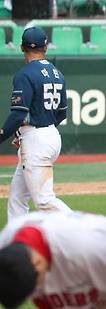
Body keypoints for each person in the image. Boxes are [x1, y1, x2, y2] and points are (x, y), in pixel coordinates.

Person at [0, 27, 71, 220]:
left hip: (37, 140)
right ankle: (16, 242)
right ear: (45, 46)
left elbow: (18, 114)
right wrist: (22, 133)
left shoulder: (25, 74)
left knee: (44, 201)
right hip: (50, 135)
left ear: (22, 47)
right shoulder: (57, 74)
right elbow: (62, 113)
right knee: (17, 197)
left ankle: (84, 227)